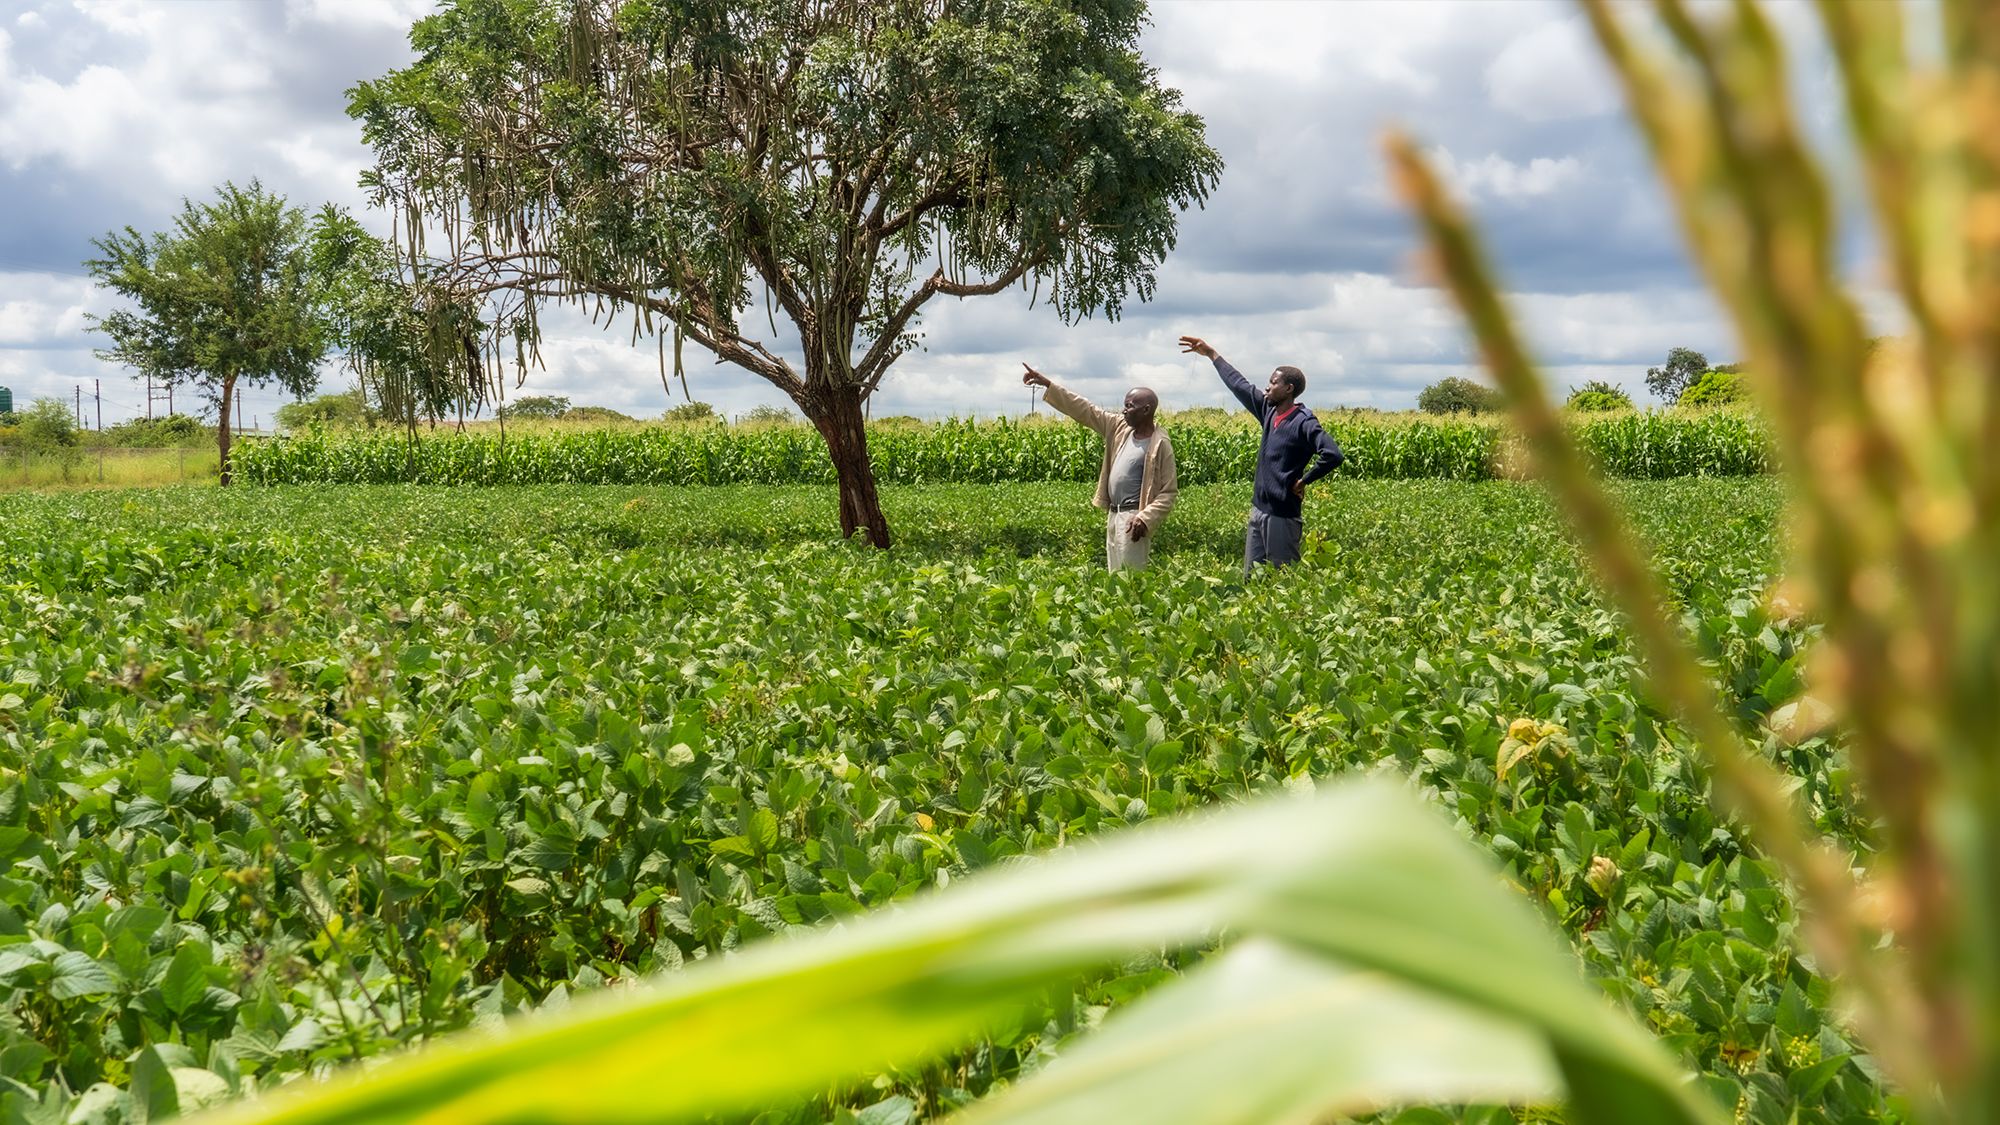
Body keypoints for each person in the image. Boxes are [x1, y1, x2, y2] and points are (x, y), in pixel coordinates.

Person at [1177, 335, 1343, 574]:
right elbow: (1239, 384)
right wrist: (1212, 354)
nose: (1267, 387)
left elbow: (1333, 454)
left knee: (1281, 581)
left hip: (1282, 516)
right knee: (1251, 578)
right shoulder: (1268, 410)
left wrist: (1304, 480)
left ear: (1289, 389)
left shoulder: (1304, 422)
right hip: (1258, 511)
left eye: (1273, 382)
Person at [1020, 363, 1178, 571]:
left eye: (1130, 406)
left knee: (1132, 580)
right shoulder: (1119, 427)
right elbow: (1086, 410)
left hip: (1133, 519)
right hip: (1113, 516)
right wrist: (1049, 385)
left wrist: (1145, 518)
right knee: (1115, 579)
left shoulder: (1160, 444)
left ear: (1146, 410)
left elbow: (1168, 492)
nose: (1124, 410)